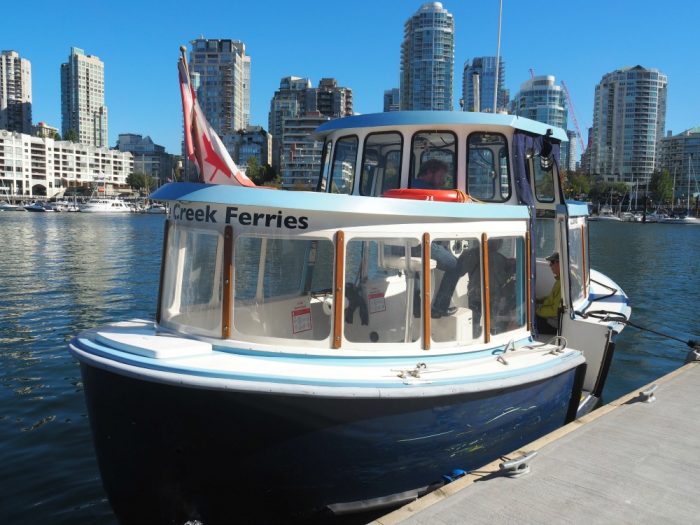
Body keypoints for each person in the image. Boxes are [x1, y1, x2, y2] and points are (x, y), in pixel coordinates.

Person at [410, 160, 462, 318]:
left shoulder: (411, 186)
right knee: (455, 266)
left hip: (403, 244)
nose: (443, 180)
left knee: (415, 269)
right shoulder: (430, 192)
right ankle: (439, 308)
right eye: (441, 176)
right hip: (421, 244)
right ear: (429, 172)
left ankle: (417, 308)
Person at [536, 252, 562, 334]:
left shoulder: (562, 284)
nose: (550, 265)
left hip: (554, 324)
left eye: (552, 262)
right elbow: (553, 298)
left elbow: (554, 311)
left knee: (526, 322)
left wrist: (537, 310)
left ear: (559, 263)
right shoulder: (561, 280)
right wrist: (540, 300)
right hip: (551, 317)